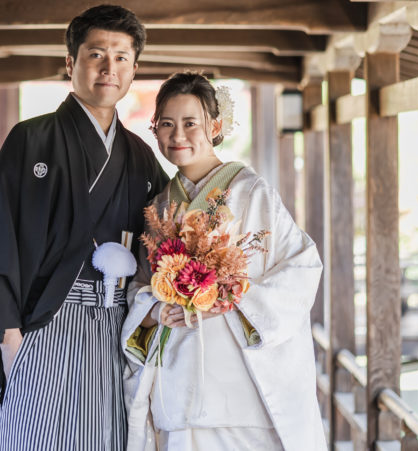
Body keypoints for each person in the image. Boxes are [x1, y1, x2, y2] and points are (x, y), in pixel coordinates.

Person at [0, 4, 169, 450]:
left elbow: (164, 241)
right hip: (40, 325)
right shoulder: (30, 140)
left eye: (122, 58)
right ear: (71, 63)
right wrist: (11, 342)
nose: (109, 68)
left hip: (113, 322)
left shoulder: (140, 156)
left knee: (106, 438)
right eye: (96, 55)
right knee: (31, 438)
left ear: (134, 69)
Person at [122, 72, 325, 450]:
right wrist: (156, 310)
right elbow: (140, 286)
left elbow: (302, 268)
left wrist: (231, 296)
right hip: (179, 381)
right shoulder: (160, 206)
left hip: (239, 383)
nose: (178, 135)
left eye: (190, 123)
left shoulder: (252, 193)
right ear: (155, 130)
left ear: (214, 126)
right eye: (167, 123)